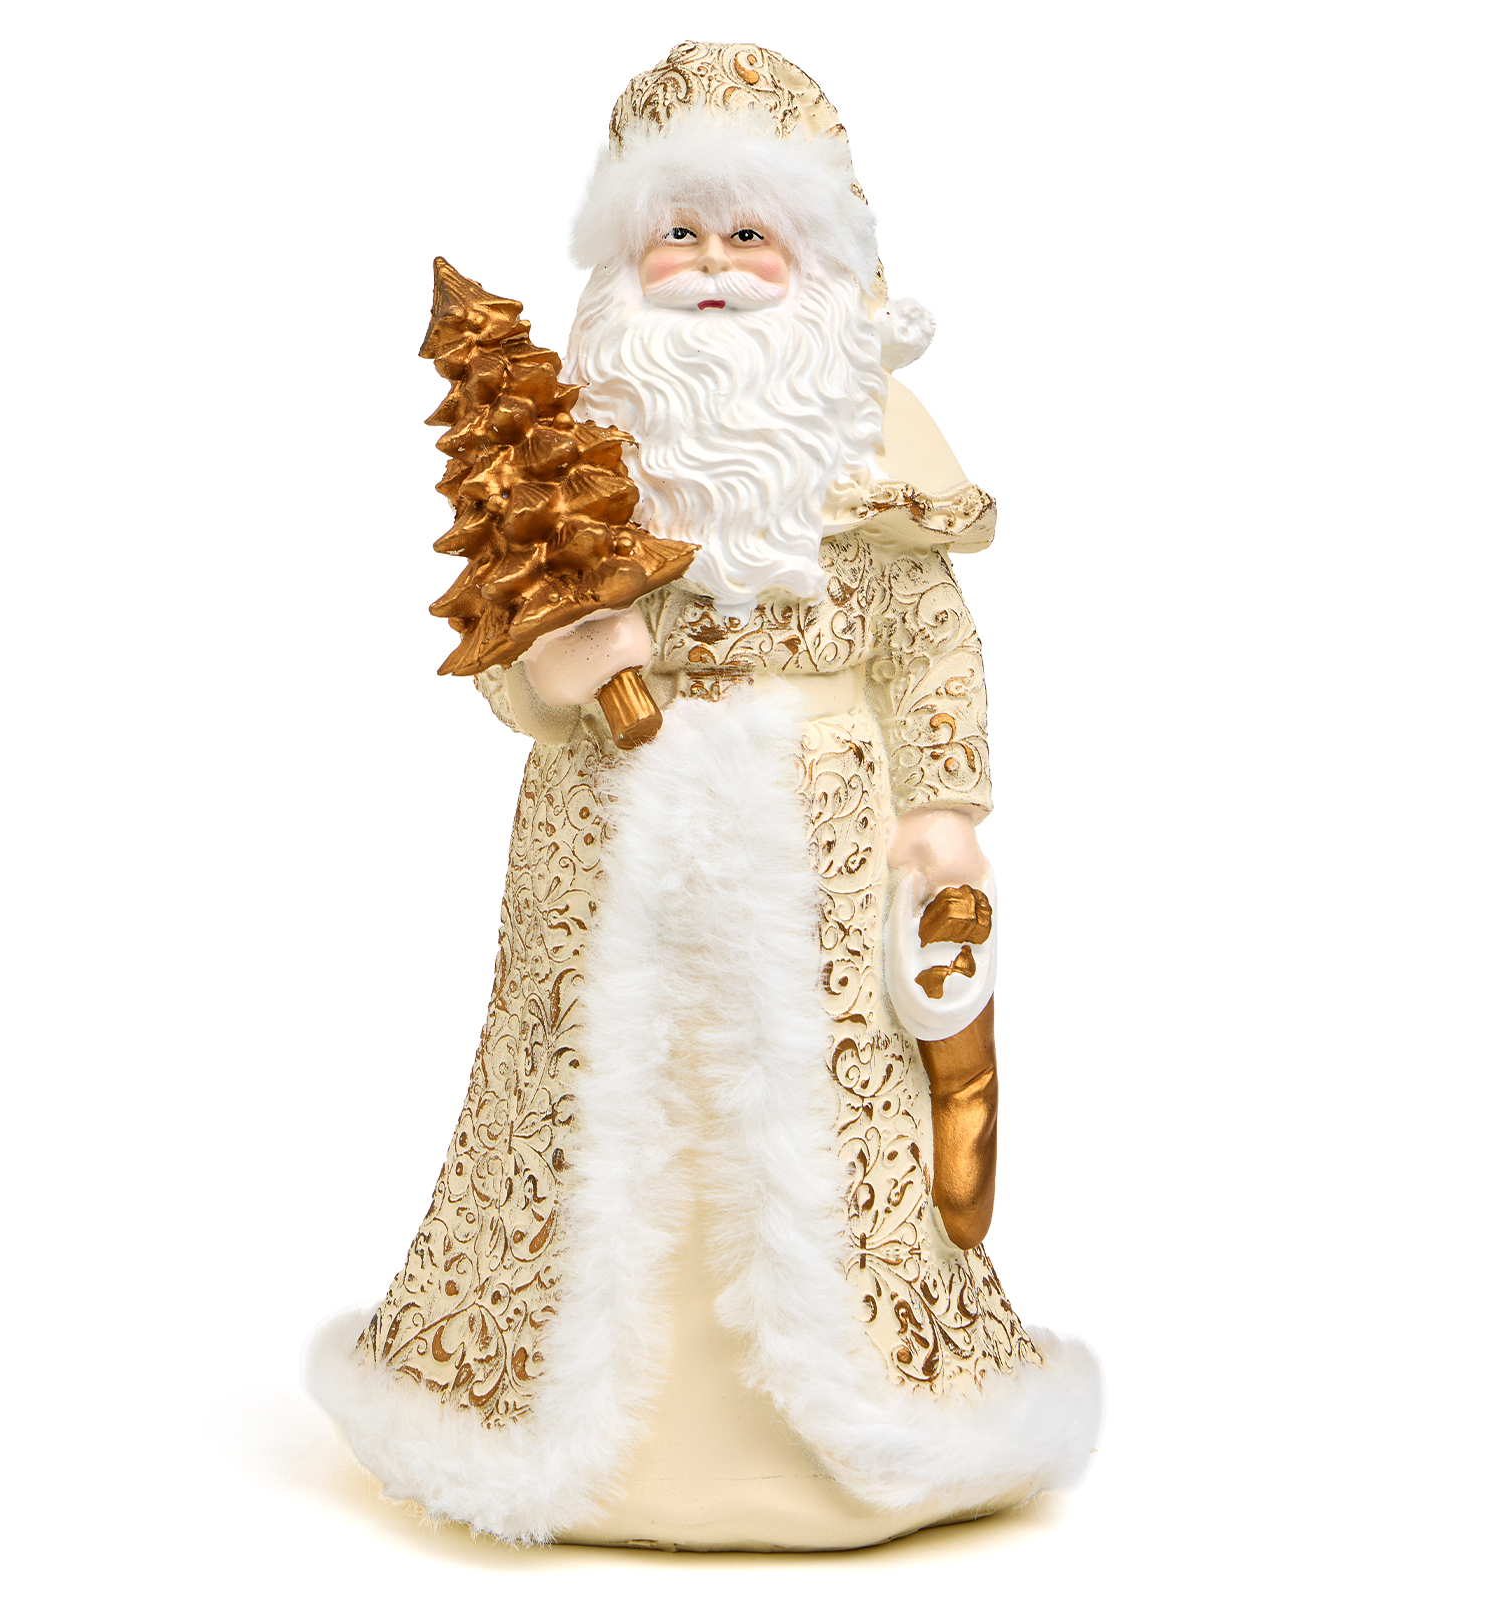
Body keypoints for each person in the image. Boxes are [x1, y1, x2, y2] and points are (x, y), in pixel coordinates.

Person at [308, 40, 1101, 1551]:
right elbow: (513, 648)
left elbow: (927, 637)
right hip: (611, 823)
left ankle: (849, 1414)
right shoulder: (583, 434)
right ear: (628, 253)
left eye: (752, 233)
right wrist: (554, 669)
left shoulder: (867, 438)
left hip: (825, 824)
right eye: (680, 231)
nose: (717, 266)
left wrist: (944, 805)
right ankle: (581, 1425)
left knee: (829, 1097)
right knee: (600, 1083)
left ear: (817, 256)